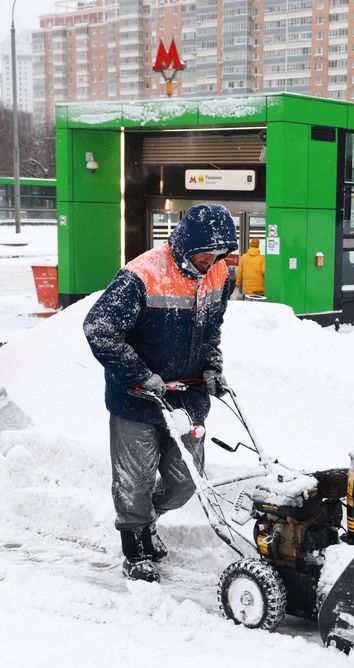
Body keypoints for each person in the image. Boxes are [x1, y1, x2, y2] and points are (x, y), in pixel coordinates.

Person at [83, 204, 237, 582]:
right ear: (185, 245)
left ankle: (147, 519)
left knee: (185, 481)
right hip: (136, 399)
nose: (211, 260)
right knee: (133, 480)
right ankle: (135, 546)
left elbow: (211, 329)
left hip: (188, 397)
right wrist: (139, 375)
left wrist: (213, 366)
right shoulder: (142, 275)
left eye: (219, 253)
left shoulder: (220, 274)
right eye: (205, 252)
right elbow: (98, 328)